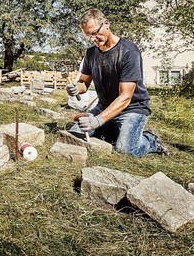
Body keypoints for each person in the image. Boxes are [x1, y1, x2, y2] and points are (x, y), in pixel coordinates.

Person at [66, 8, 168, 156]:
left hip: (132, 109)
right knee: (75, 133)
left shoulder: (128, 52)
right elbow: (84, 83)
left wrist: (98, 120)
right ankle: (113, 130)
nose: (93, 39)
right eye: (88, 36)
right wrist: (76, 88)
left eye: (95, 33)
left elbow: (125, 97)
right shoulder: (91, 53)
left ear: (106, 24)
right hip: (104, 107)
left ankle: (151, 140)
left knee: (125, 150)